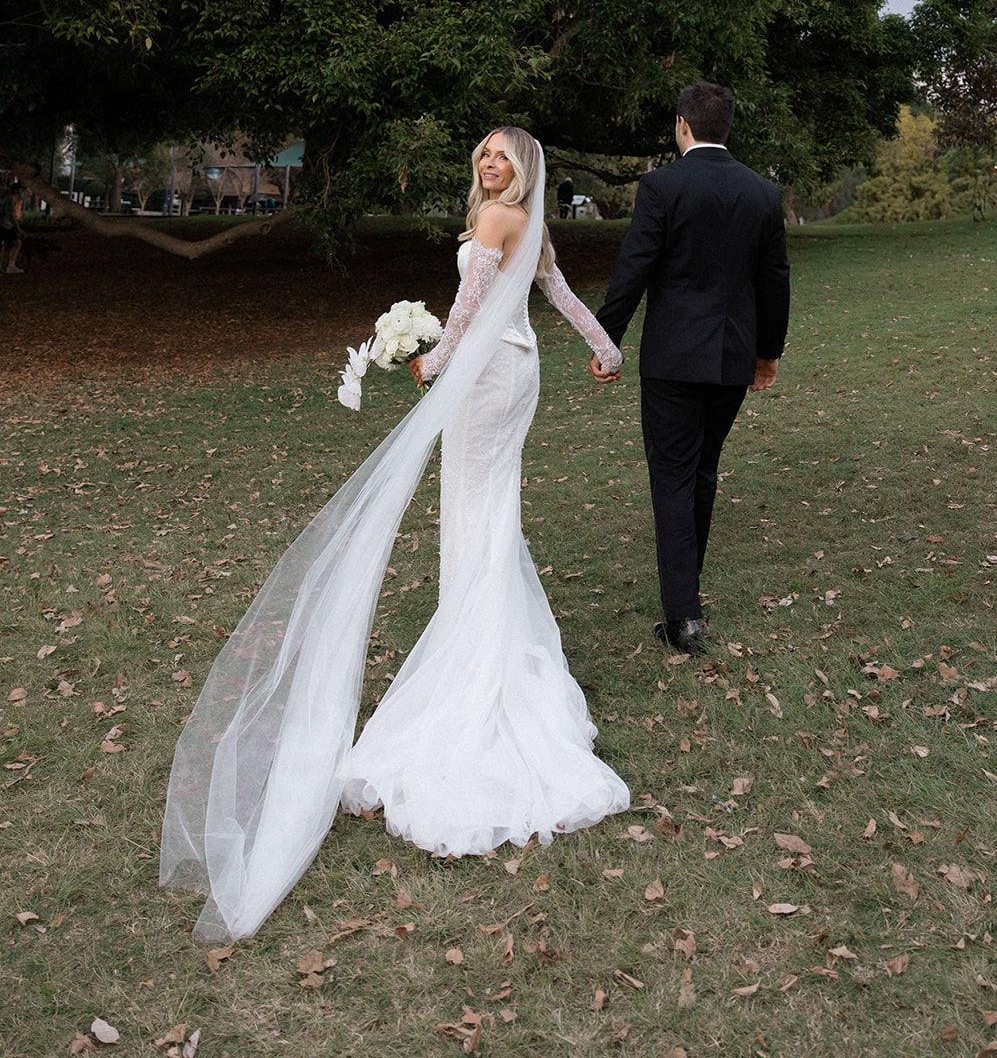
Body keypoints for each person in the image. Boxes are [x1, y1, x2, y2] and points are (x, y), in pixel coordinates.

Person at [161, 127, 628, 943]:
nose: (491, 166)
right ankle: (484, 640)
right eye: (484, 156)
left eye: (504, 159)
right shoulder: (524, 225)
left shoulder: (493, 228)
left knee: (477, 516)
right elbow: (561, 299)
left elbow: (475, 311)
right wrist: (605, 347)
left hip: (486, 380)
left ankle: (476, 669)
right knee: (489, 517)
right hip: (517, 376)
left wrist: (434, 363)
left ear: (525, 170)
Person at [592, 82, 790, 657]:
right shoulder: (761, 192)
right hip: (732, 356)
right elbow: (774, 279)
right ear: (726, 127)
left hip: (674, 359)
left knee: (674, 477)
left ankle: (683, 616)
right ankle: (687, 599)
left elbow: (634, 268)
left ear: (683, 124)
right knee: (702, 472)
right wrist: (767, 352)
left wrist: (607, 341)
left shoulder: (661, 186)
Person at [0, 179, 25, 274]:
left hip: (5, 225)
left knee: (13, 244)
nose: (22, 192)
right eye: (21, 190)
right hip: (4, 226)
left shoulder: (10, 198)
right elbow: (10, 215)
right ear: (17, 190)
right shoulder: (11, 198)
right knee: (15, 243)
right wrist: (18, 228)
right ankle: (10, 266)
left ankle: (9, 266)